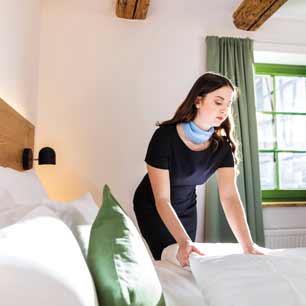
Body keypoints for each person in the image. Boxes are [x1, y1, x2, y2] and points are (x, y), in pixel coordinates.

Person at [133, 72, 268, 266]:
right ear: (198, 101)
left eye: (228, 103)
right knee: (170, 257)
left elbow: (229, 197)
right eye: (218, 102)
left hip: (187, 206)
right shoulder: (165, 138)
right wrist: (183, 240)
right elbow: (162, 199)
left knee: (188, 259)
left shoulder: (221, 146)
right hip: (154, 205)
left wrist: (248, 246)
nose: (224, 109)